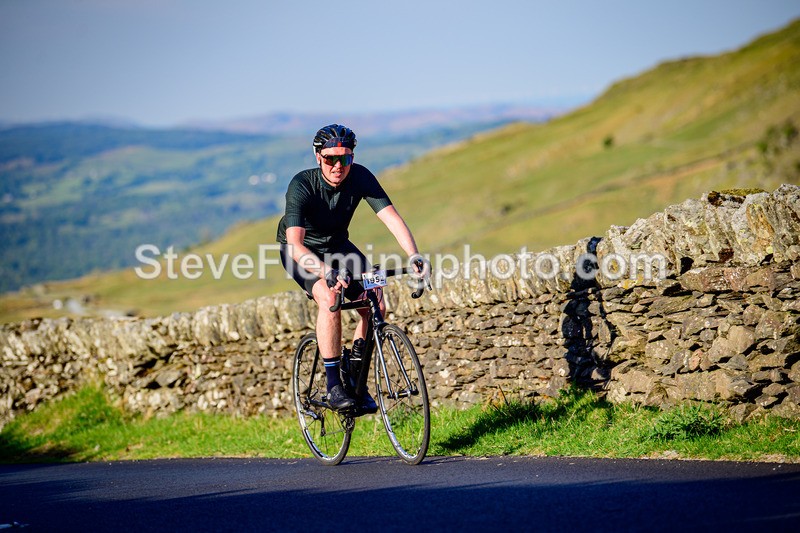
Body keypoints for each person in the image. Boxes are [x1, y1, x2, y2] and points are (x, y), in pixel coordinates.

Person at [276, 124, 427, 411]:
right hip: (301, 251)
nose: (337, 166)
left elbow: (391, 217)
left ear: (352, 159)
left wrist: (414, 255)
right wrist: (325, 273)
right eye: (331, 158)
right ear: (318, 157)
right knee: (330, 297)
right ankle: (333, 386)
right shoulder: (302, 184)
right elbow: (296, 244)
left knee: (376, 305)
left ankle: (355, 379)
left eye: (344, 158)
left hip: (338, 246)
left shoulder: (360, 177)